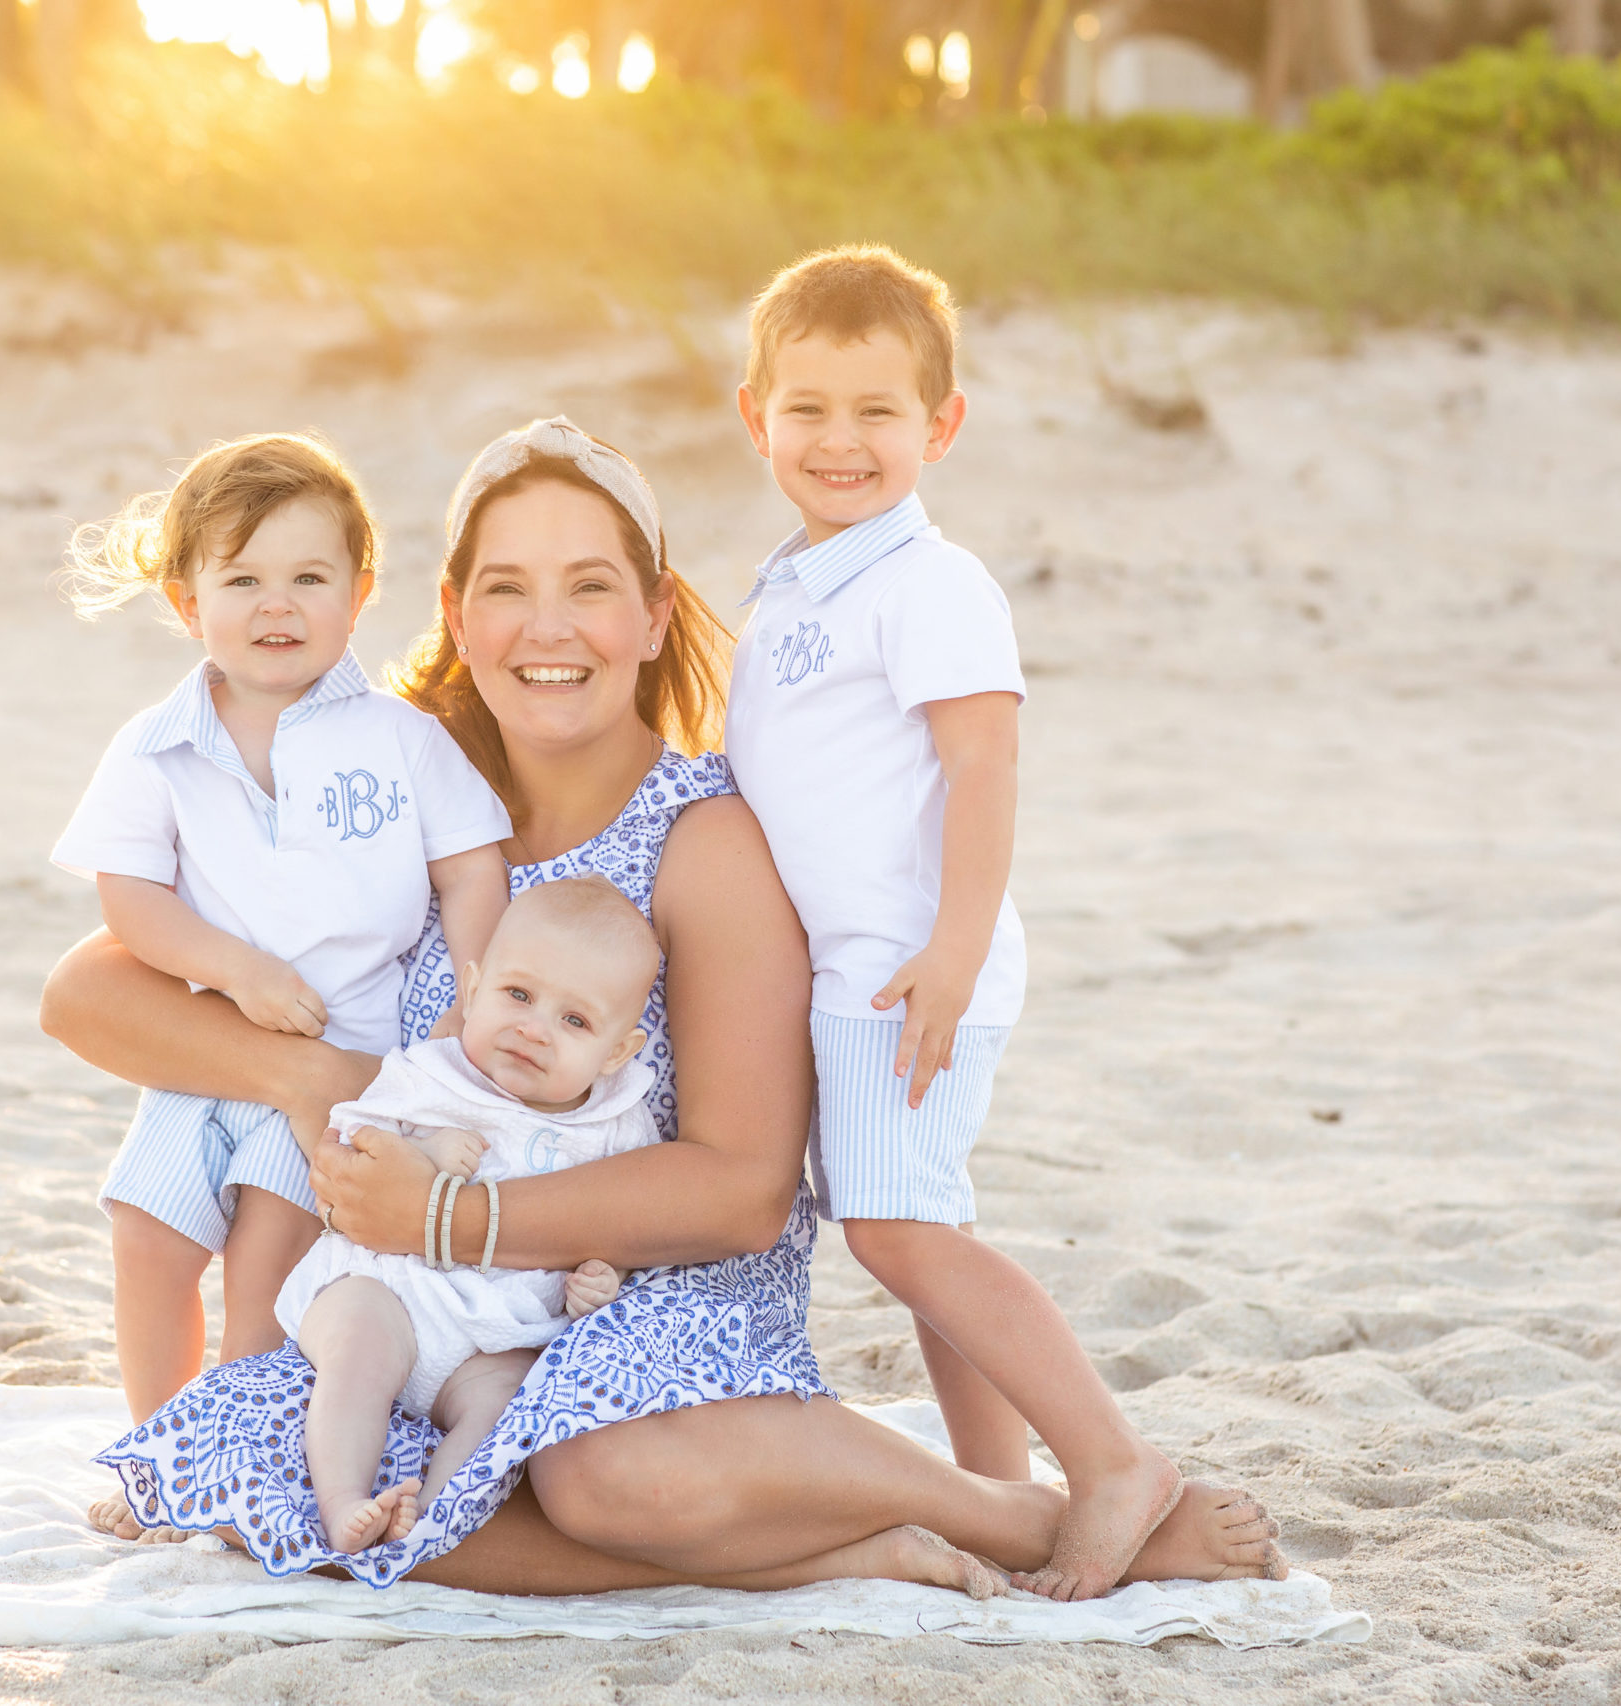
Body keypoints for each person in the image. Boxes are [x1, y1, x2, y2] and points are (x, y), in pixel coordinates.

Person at [46, 417, 1286, 1597]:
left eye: (590, 586)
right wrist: (310, 1079)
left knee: (602, 1470)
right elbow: (86, 990)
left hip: (642, 1291)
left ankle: (1009, 1516)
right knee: (270, 1489)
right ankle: (831, 1548)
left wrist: (456, 1214)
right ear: (455, 614)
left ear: (651, 615)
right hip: (421, 1302)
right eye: (508, 588)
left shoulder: (702, 838)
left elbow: (744, 1190)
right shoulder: (404, 797)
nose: (549, 627)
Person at [725, 244, 1184, 1602]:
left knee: (900, 1232)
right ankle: (1000, 1492)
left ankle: (1110, 1460)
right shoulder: (793, 586)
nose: (840, 440)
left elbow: (984, 765)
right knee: (922, 1226)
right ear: (756, 417)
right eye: (807, 408)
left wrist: (954, 948)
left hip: (918, 962)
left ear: (942, 426)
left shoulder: (932, 583)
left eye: (877, 412)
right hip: (851, 970)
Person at [50, 432, 511, 1424]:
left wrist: (468, 997)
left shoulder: (398, 737)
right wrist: (235, 967)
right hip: (210, 1046)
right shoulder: (156, 744)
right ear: (187, 602)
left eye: (309, 576)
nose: (277, 604)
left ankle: (236, 1436)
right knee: (146, 1233)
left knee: (269, 1251)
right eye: (243, 578)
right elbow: (130, 900)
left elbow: (471, 862)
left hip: (345, 1041)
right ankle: (157, 1443)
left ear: (360, 590)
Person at [281, 877, 664, 1556]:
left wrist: (606, 1274)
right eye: (518, 995)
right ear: (473, 988)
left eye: (574, 1021)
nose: (533, 1028)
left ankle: (427, 1515)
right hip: (392, 1291)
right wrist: (420, 1151)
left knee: (507, 1402)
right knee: (356, 1354)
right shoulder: (433, 1073)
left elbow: (629, 1214)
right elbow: (347, 1154)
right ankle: (343, 1500)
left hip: (496, 1333)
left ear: (615, 1053)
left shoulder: (616, 1125)